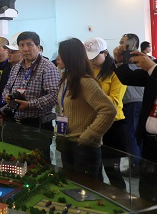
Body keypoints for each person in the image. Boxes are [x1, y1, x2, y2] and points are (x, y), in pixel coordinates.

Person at [56, 38, 116, 180]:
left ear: (70, 57)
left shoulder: (85, 81)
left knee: (86, 189)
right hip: (67, 142)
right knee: (72, 186)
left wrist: (90, 134)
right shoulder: (67, 79)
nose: (57, 58)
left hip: (83, 147)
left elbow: (108, 110)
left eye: (61, 55)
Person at [0, 31, 59, 162]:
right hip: (14, 123)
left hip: (37, 126)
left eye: (29, 45)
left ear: (38, 47)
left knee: (38, 164)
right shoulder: (16, 67)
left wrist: (30, 104)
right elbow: (7, 87)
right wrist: (7, 97)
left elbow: (53, 95)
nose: (25, 49)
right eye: (21, 45)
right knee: (13, 161)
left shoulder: (48, 67)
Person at [112, 38, 157, 203]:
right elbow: (130, 78)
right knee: (148, 190)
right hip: (150, 141)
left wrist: (152, 68)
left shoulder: (154, 68)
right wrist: (119, 62)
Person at [84, 37, 127, 189]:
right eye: (89, 57)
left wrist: (92, 98)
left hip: (113, 125)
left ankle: (120, 199)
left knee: (112, 170)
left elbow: (114, 101)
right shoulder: (87, 70)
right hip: (92, 122)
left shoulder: (115, 72)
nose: (92, 60)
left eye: (95, 56)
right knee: (94, 168)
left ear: (106, 53)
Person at [119, 34, 144, 175]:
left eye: (123, 42)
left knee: (132, 134)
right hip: (136, 100)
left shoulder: (133, 59)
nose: (120, 45)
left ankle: (135, 166)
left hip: (133, 101)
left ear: (132, 43)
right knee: (135, 133)